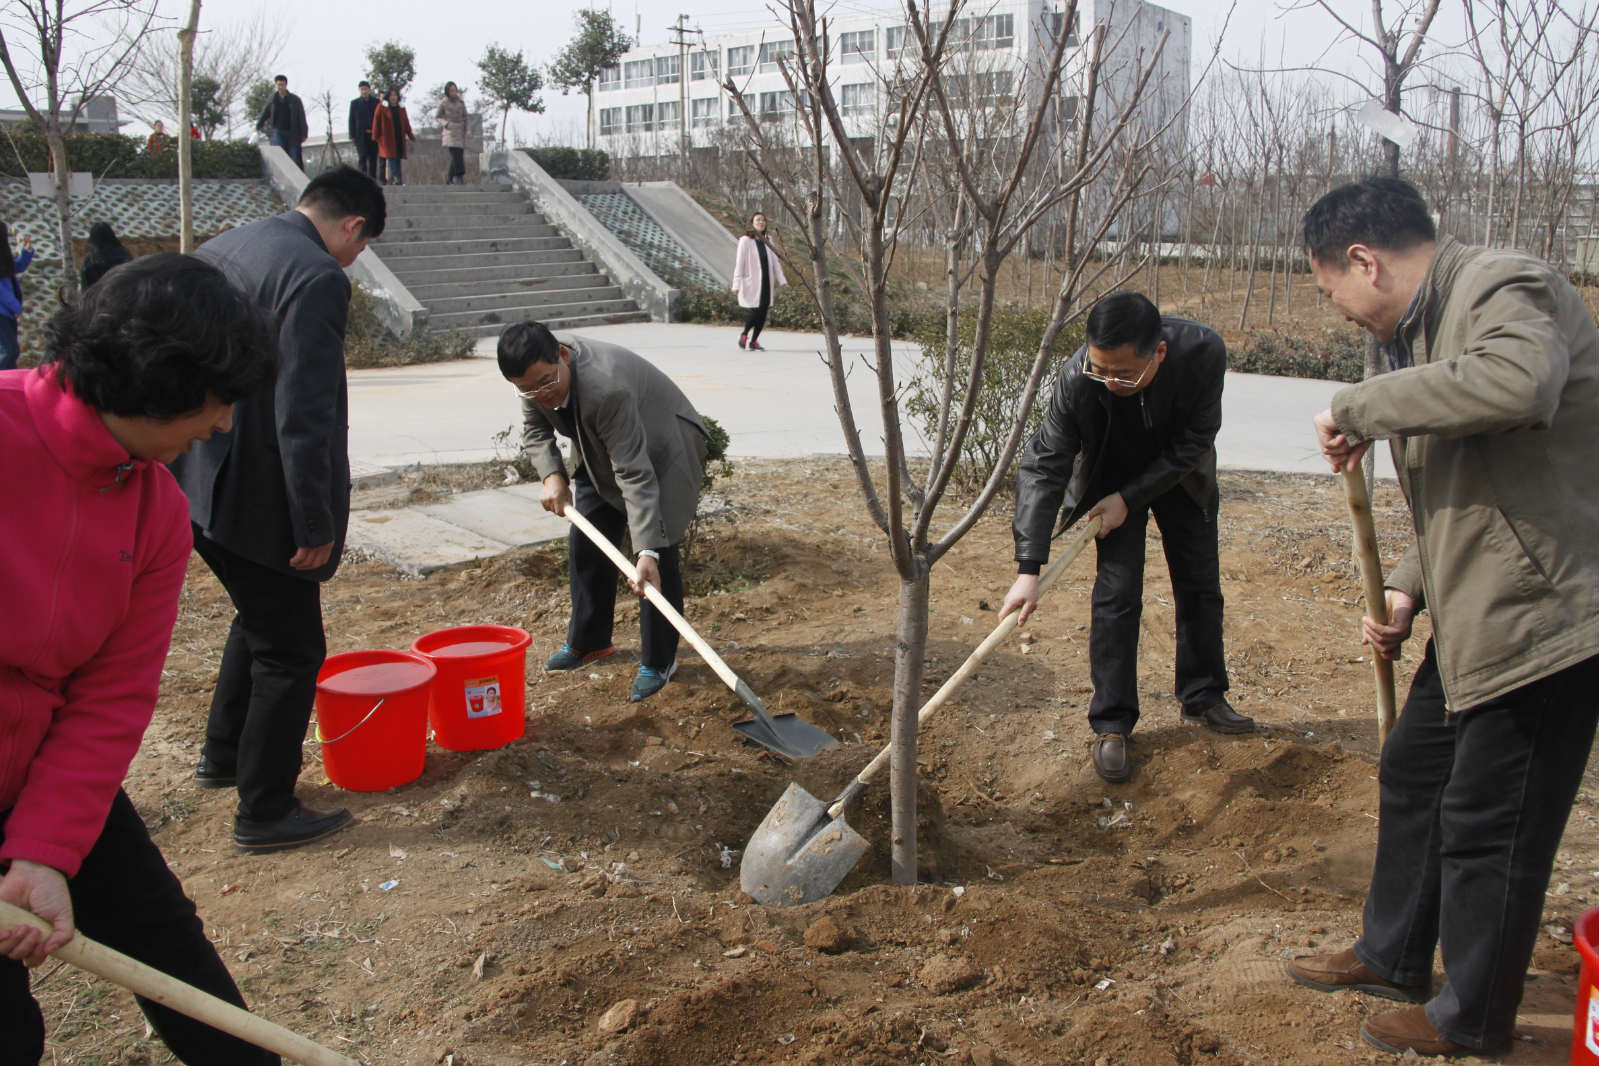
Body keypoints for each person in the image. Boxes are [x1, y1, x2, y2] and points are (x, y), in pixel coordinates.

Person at [1288, 177, 1599, 1058]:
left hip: (1548, 618)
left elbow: (1519, 383)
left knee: (1490, 823)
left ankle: (1472, 1015)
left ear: (1363, 261)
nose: (1337, 311)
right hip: (1475, 612)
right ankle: (1391, 952)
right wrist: (1408, 588)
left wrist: (1358, 408)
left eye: (1329, 291)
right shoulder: (1418, 334)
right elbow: (1475, 488)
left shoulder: (1504, 286)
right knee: (1415, 774)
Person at [1, 253, 279, 1065]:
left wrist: (45, 849)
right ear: (157, 380)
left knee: (173, 954)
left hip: (46, 766)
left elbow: (112, 696)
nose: (224, 423)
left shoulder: (155, 508)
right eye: (217, 400)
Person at [170, 166, 386, 853]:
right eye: (361, 244)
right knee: (293, 650)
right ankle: (263, 809)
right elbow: (305, 411)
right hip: (259, 492)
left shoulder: (229, 246)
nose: (354, 258)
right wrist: (314, 522)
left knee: (260, 620)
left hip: (198, 479)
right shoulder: (317, 275)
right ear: (352, 225)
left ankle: (224, 756)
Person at [1000, 291, 1252, 785]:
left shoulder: (1204, 352)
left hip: (1183, 474)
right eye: (1101, 370)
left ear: (1158, 352)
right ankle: (1112, 722)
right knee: (1117, 595)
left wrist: (1132, 498)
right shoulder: (1078, 377)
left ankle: (1203, 696)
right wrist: (1029, 567)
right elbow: (1045, 465)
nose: (1110, 381)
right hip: (1110, 478)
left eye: (1123, 373)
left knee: (1199, 586)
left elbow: (1196, 441)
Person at [498, 321, 711, 702]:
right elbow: (535, 430)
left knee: (656, 554)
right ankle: (590, 641)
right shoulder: (533, 375)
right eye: (528, 388)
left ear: (562, 356)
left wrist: (645, 550)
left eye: (546, 383)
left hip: (664, 446)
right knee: (589, 540)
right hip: (602, 444)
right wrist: (552, 476)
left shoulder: (605, 386)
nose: (540, 394)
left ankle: (659, 661)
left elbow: (633, 471)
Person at [731, 211, 786, 351]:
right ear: (752, 223)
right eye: (758, 220)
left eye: (763, 220)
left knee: (763, 312)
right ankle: (744, 334)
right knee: (755, 311)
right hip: (753, 283)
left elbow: (775, 263)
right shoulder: (745, 240)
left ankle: (754, 340)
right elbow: (740, 263)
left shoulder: (768, 240)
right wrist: (736, 284)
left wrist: (782, 280)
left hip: (767, 282)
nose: (761, 222)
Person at [255, 74, 309, 170]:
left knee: (294, 158)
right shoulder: (273, 100)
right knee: (280, 156)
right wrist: (258, 126)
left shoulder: (295, 100)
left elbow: (301, 117)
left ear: (286, 85)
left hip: (293, 133)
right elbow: (265, 114)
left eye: (282, 84)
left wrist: (304, 133)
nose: (280, 87)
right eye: (278, 85)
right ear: (276, 85)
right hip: (279, 132)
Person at [0, 223, 32, 372]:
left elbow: (17, 266)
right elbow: (2, 293)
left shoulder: (3, 261)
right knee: (11, 351)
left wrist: (26, 251)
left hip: (7, 313)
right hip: (3, 313)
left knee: (11, 356)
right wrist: (17, 307)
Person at [371, 88, 416, 187]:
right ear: (388, 97)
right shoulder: (382, 107)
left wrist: (410, 134)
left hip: (399, 136)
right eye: (391, 95)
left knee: (397, 158)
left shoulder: (401, 108)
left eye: (395, 95)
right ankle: (396, 177)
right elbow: (376, 122)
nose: (393, 97)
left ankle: (398, 179)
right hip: (386, 138)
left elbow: (406, 122)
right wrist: (375, 135)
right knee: (391, 158)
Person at [79, 221, 134, 290]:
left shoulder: (90, 259)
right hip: (123, 296)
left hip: (98, 298)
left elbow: (85, 288)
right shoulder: (124, 254)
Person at [348, 80, 380, 182]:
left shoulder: (376, 102)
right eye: (362, 90)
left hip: (373, 135)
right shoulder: (355, 103)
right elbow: (351, 120)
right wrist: (352, 135)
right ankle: (361, 181)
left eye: (365, 89)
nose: (364, 92)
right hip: (360, 136)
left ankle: (373, 180)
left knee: (373, 159)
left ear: (369, 90)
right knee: (362, 158)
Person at [436, 81, 468, 185]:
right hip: (450, 132)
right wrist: (446, 124)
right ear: (447, 91)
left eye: (455, 90)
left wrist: (467, 128)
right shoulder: (444, 102)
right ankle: (459, 176)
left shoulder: (460, 102)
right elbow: (438, 116)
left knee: (458, 155)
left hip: (460, 131)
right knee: (456, 155)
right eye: (451, 90)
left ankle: (449, 177)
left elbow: (465, 116)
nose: (453, 92)